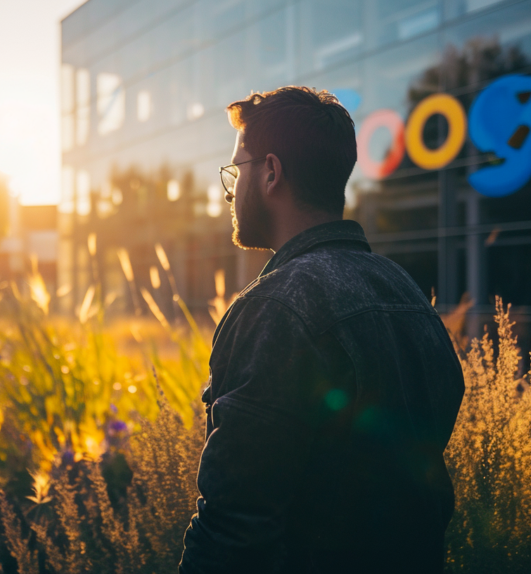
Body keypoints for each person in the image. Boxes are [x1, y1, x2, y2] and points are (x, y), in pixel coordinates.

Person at [179, 86, 466, 574]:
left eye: (236, 172)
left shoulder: (276, 307)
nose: (230, 192)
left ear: (271, 172)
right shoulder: (407, 294)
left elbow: (233, 528)